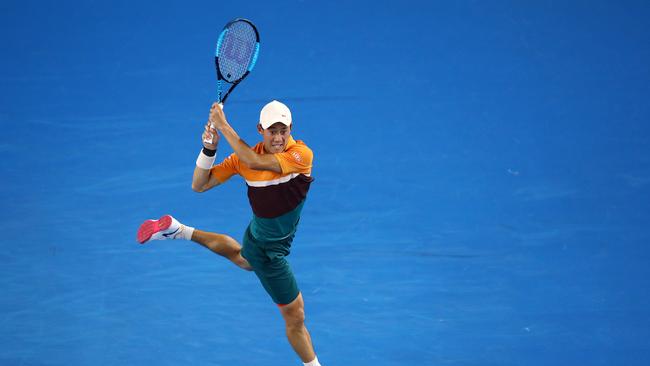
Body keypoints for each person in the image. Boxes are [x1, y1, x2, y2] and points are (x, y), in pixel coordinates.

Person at [136, 100, 321, 366]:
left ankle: (178, 230)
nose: (279, 137)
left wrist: (223, 126)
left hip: (256, 235)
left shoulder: (301, 154)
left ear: (291, 128)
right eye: (272, 131)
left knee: (243, 258)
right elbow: (199, 185)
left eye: (284, 130)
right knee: (296, 318)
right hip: (270, 252)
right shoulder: (241, 160)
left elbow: (255, 161)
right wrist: (209, 149)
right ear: (260, 129)